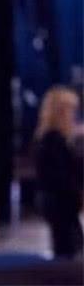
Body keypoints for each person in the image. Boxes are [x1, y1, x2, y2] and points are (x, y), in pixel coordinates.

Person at [34, 85, 83, 259]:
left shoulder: (53, 138)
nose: (74, 116)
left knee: (73, 247)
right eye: (71, 111)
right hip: (59, 202)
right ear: (60, 112)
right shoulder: (52, 140)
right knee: (68, 251)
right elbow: (61, 177)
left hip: (61, 202)